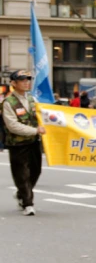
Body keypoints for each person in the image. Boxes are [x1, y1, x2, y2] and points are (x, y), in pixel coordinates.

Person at [4, 70, 46, 216]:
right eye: (22, 80)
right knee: (22, 174)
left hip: (34, 142)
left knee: (36, 170)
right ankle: (28, 203)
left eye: (28, 79)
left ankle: (22, 194)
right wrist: (35, 131)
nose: (26, 82)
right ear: (13, 83)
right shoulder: (8, 102)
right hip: (17, 144)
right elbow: (12, 125)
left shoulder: (33, 99)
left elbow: (43, 116)